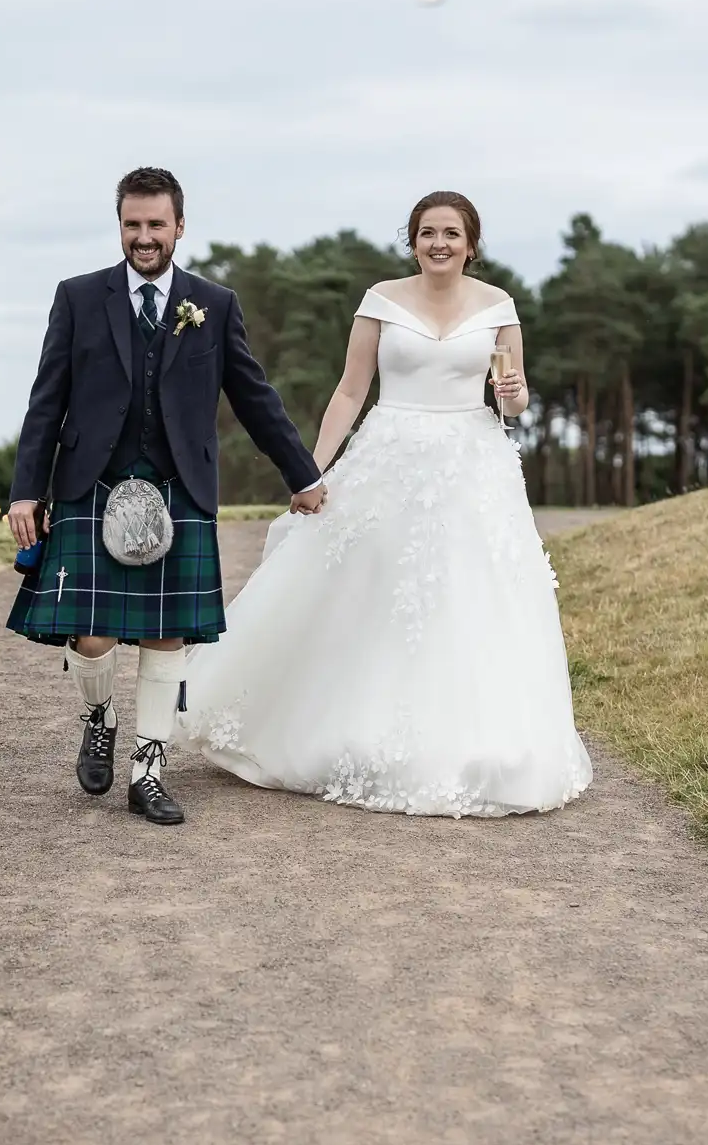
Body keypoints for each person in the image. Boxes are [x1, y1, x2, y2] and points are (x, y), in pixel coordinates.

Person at [179, 191, 593, 817]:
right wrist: (311, 468)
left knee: (469, 596)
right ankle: (330, 723)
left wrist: (513, 394)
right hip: (390, 455)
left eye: (451, 233)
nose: (439, 243)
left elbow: (512, 403)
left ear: (471, 244)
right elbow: (350, 391)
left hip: (472, 465)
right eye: (427, 232)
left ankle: (472, 741)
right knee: (367, 587)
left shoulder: (499, 308)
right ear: (414, 240)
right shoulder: (381, 300)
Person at [5, 167, 326, 826]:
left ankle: (148, 769)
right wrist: (26, 489)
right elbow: (47, 399)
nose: (144, 237)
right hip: (91, 482)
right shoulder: (78, 297)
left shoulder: (214, 304)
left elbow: (255, 398)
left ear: (180, 226)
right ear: (120, 225)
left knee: (164, 634)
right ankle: (101, 716)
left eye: (156, 224)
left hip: (179, 484)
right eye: (133, 225)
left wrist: (303, 474)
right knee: (91, 635)